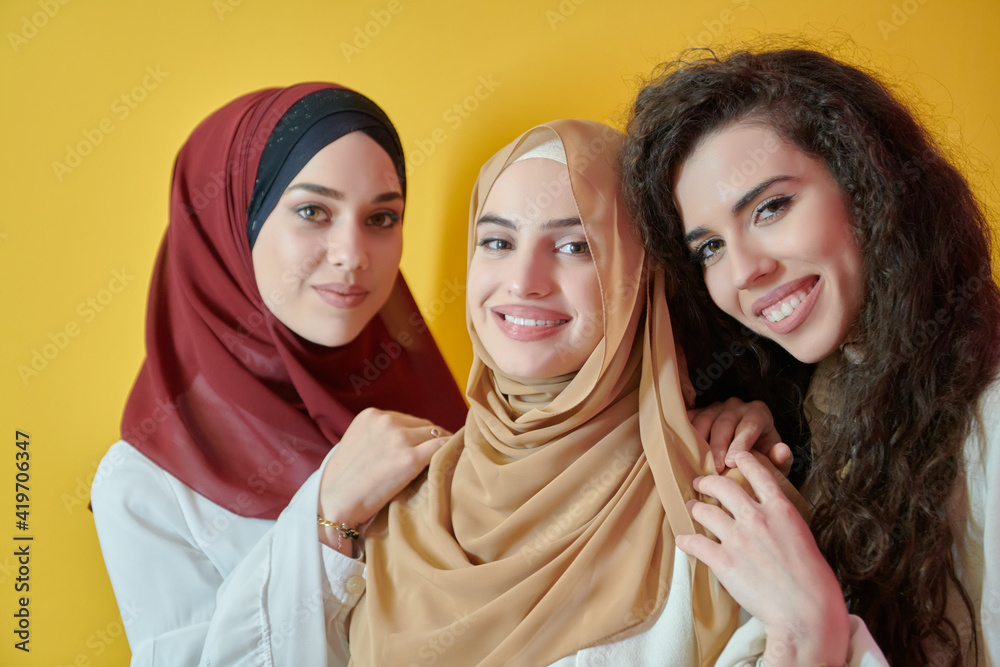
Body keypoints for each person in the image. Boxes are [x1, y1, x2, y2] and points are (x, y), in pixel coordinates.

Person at [305, 119, 885, 666]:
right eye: (498, 242)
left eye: (575, 247)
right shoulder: (384, 495)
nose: (523, 281)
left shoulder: (724, 502)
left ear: (639, 279)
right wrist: (328, 525)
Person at [621, 47, 1000, 665]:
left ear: (869, 187)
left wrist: (809, 630)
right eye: (710, 248)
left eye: (770, 208)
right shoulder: (813, 415)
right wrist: (788, 456)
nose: (743, 270)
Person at [90, 83, 469, 665]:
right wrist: (327, 516)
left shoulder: (444, 412)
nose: (352, 253)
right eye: (313, 211)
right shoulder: (147, 483)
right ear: (229, 226)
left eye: (382, 217)